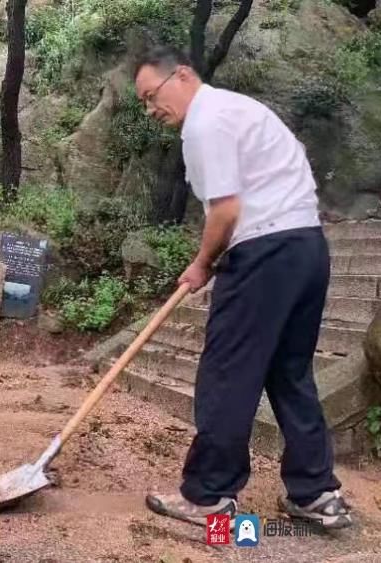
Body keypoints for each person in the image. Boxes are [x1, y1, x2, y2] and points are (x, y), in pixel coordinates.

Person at [132, 46, 352, 529]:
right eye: (144, 103)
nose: (151, 109)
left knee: (228, 373)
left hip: (265, 254)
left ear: (182, 75)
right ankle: (315, 492)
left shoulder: (205, 123)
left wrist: (202, 262)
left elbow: (226, 210)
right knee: (289, 373)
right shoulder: (241, 108)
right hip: (306, 248)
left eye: (152, 96)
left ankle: (209, 494)